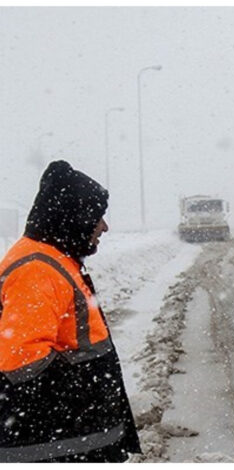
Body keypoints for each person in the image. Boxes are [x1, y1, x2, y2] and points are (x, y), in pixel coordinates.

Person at [0, 160, 141, 462]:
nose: (104, 226)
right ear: (75, 216)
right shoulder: (37, 268)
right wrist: (88, 393)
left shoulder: (55, 258)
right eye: (98, 216)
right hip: (56, 447)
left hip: (72, 442)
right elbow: (22, 362)